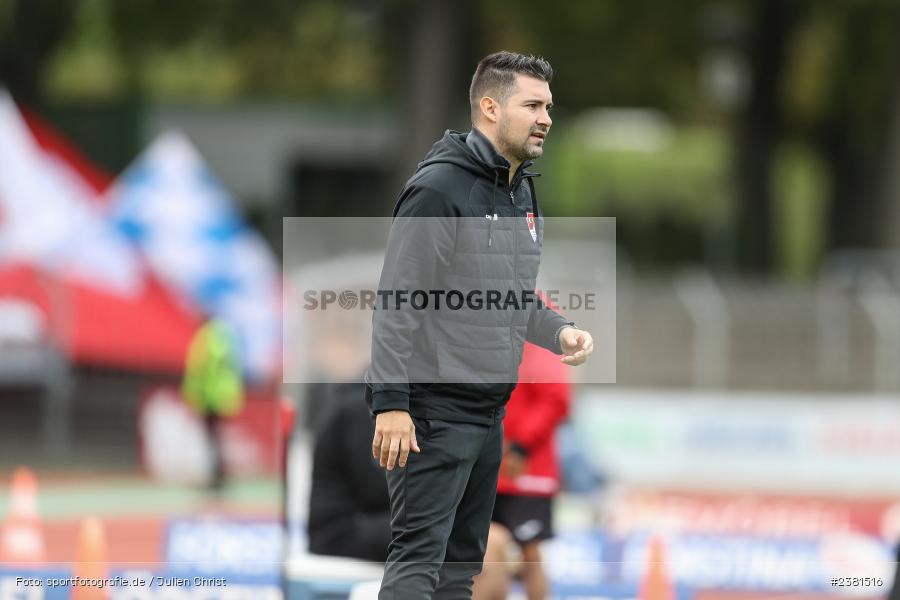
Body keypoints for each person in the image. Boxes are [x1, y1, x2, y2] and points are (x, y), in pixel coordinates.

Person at [366, 51, 594, 599]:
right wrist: (392, 404)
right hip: (432, 412)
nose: (546, 118)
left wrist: (559, 330)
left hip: (489, 413)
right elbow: (396, 302)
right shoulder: (439, 189)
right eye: (533, 105)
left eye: (549, 107)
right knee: (419, 563)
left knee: (459, 573)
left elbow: (512, 298)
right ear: (490, 107)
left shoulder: (520, 190)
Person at [473, 341, 571, 600]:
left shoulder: (538, 325)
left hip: (527, 472)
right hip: (486, 467)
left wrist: (521, 446)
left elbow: (556, 398)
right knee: (484, 552)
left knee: (530, 553)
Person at [307, 381, 391, 562]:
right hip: (339, 532)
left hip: (364, 523)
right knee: (435, 534)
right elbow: (377, 488)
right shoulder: (364, 408)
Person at [181, 318, 244, 491]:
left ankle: (217, 476)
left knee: (212, 439)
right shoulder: (224, 337)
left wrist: (193, 396)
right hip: (221, 396)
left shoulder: (205, 339)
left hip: (210, 397)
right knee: (215, 438)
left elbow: (199, 371)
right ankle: (219, 475)